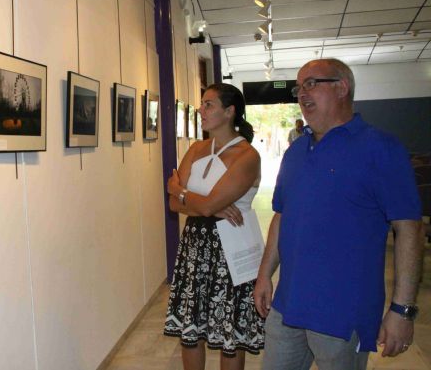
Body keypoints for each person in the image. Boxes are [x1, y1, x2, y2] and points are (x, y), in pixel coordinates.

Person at [253, 58, 424, 370]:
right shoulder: (295, 152)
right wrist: (265, 274)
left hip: (342, 313)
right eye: (299, 86)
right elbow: (281, 216)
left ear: (342, 87)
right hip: (287, 306)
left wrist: (402, 310)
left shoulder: (381, 149)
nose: (302, 93)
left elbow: (409, 229)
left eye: (311, 83)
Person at [164, 83, 265, 370]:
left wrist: (184, 194)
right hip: (195, 247)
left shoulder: (247, 156)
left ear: (230, 111)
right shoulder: (196, 149)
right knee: (191, 329)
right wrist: (210, 205)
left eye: (209, 104)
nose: (201, 110)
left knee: (228, 332)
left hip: (231, 250)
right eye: (202, 104)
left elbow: (192, 201)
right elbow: (174, 205)